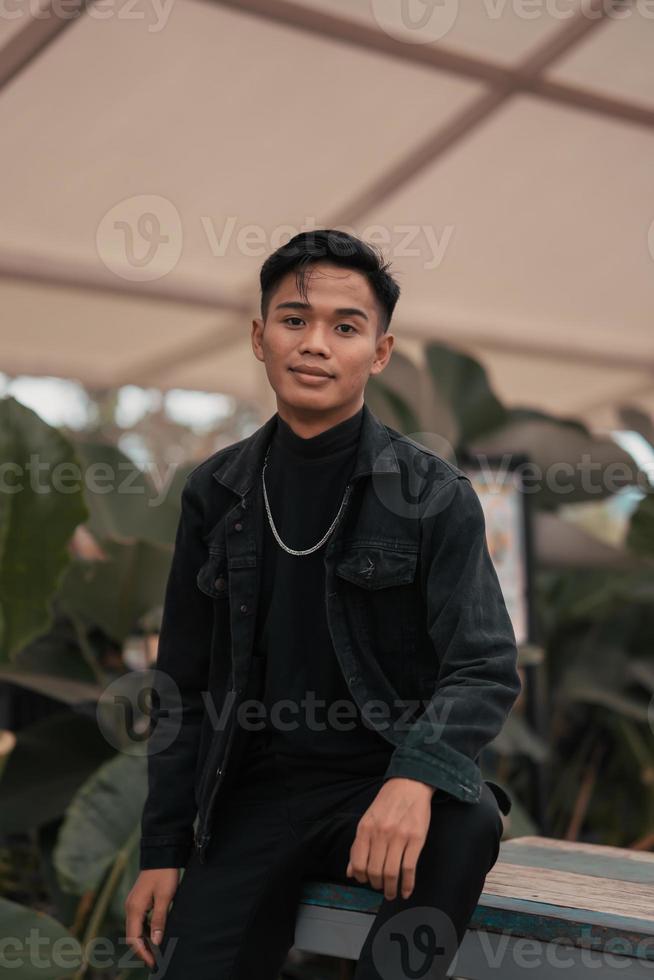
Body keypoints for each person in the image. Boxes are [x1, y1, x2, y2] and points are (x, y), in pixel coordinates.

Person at [125, 229, 522, 979]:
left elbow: (484, 666)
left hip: (384, 783)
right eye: (294, 319)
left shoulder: (433, 495)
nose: (315, 344)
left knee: (466, 823)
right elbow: (182, 688)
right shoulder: (216, 493)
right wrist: (161, 851)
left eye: (346, 326)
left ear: (379, 351)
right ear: (259, 336)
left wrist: (413, 779)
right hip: (256, 797)